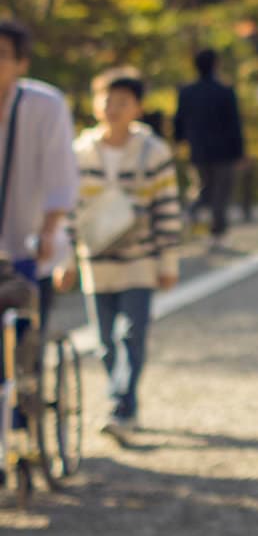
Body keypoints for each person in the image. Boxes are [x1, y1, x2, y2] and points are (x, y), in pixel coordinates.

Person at [65, 69, 181, 442]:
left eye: (122, 102)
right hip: (96, 262)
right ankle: (125, 399)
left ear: (138, 107)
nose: (112, 108)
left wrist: (168, 262)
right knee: (104, 342)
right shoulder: (79, 153)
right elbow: (68, 210)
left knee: (132, 334)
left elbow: (167, 208)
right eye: (106, 100)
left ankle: (120, 406)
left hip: (140, 261)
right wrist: (65, 260)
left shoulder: (153, 152)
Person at [0, 19, 79, 444]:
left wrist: (50, 230)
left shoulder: (45, 105)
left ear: (21, 63)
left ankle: (23, 411)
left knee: (27, 339)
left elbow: (60, 176)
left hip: (30, 242)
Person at [174, 47, 246, 248]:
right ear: (216, 64)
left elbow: (179, 120)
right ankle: (217, 232)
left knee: (202, 189)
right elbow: (234, 124)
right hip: (224, 151)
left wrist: (180, 141)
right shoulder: (225, 91)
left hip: (198, 149)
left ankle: (190, 213)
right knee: (220, 194)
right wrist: (240, 152)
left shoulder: (187, 92)